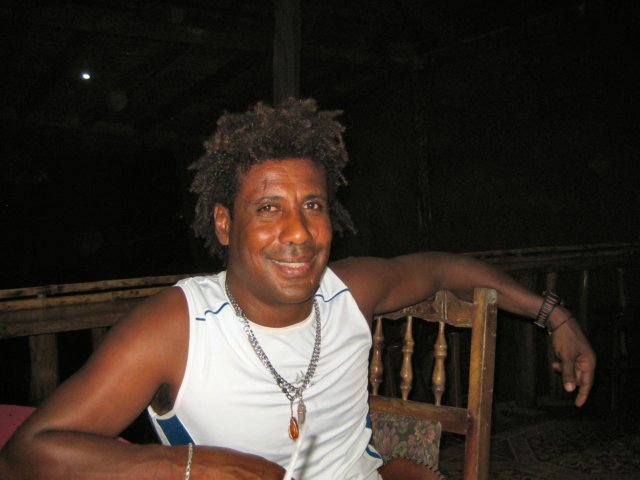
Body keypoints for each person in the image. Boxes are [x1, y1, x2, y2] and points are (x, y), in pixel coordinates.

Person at [0, 99, 595, 479]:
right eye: (268, 208)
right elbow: (28, 453)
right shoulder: (178, 325)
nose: (299, 233)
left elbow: (442, 269)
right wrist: (188, 465)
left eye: (312, 205)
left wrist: (555, 315)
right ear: (224, 224)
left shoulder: (349, 291)